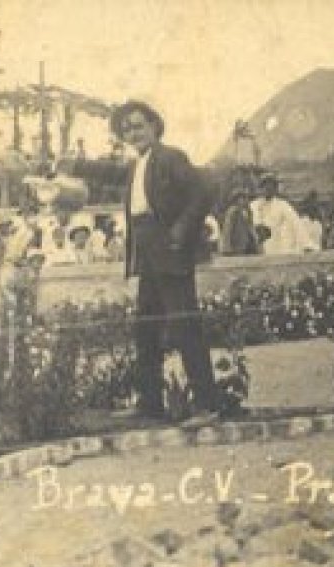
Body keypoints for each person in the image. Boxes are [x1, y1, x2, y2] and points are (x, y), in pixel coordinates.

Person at [110, 99, 224, 419]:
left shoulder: (171, 157)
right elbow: (106, 173)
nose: (133, 133)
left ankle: (207, 405)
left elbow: (202, 193)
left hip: (171, 252)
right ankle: (150, 404)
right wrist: (71, 167)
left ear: (154, 125)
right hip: (147, 254)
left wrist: (180, 233)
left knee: (184, 325)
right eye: (127, 129)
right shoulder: (135, 166)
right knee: (145, 328)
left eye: (138, 125)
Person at [249, 173, 305, 254]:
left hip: (278, 245)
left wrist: (306, 243)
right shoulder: (253, 205)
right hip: (257, 246)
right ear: (261, 188)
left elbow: (296, 223)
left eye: (271, 186)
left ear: (275, 189)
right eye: (265, 186)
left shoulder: (283, 205)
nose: (268, 189)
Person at [220, 189, 258, 256]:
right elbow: (227, 230)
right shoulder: (233, 211)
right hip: (236, 246)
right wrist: (226, 248)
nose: (245, 200)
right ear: (236, 200)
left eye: (246, 198)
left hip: (247, 246)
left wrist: (255, 240)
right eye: (242, 198)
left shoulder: (248, 212)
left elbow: (251, 228)